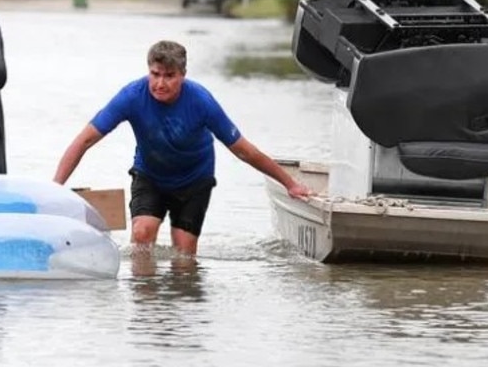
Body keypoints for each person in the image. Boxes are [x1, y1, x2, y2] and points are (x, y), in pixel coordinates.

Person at [53, 40, 311, 256]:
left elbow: (244, 150)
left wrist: (289, 184)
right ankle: (145, 307)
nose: (160, 83)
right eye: (155, 74)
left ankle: (182, 312)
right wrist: (54, 188)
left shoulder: (201, 102)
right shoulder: (132, 96)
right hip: (150, 175)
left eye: (169, 76)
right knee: (142, 236)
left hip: (194, 180)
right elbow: (84, 140)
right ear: (148, 71)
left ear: (182, 76)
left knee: (184, 256)